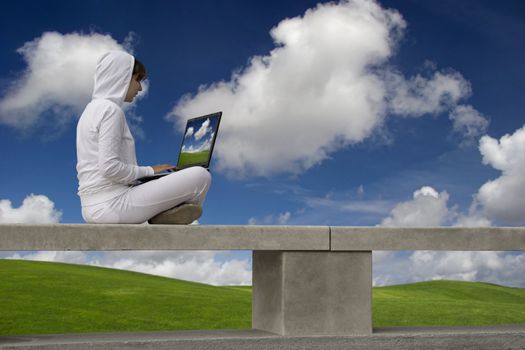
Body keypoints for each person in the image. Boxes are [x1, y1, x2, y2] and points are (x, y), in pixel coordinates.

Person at [76, 50, 211, 224]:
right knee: (201, 176)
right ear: (121, 77)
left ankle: (168, 214)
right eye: (137, 80)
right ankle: (167, 216)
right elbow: (109, 168)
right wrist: (150, 171)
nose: (140, 87)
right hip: (112, 205)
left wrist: (147, 177)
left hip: (93, 206)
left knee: (177, 178)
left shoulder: (89, 111)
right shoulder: (110, 110)